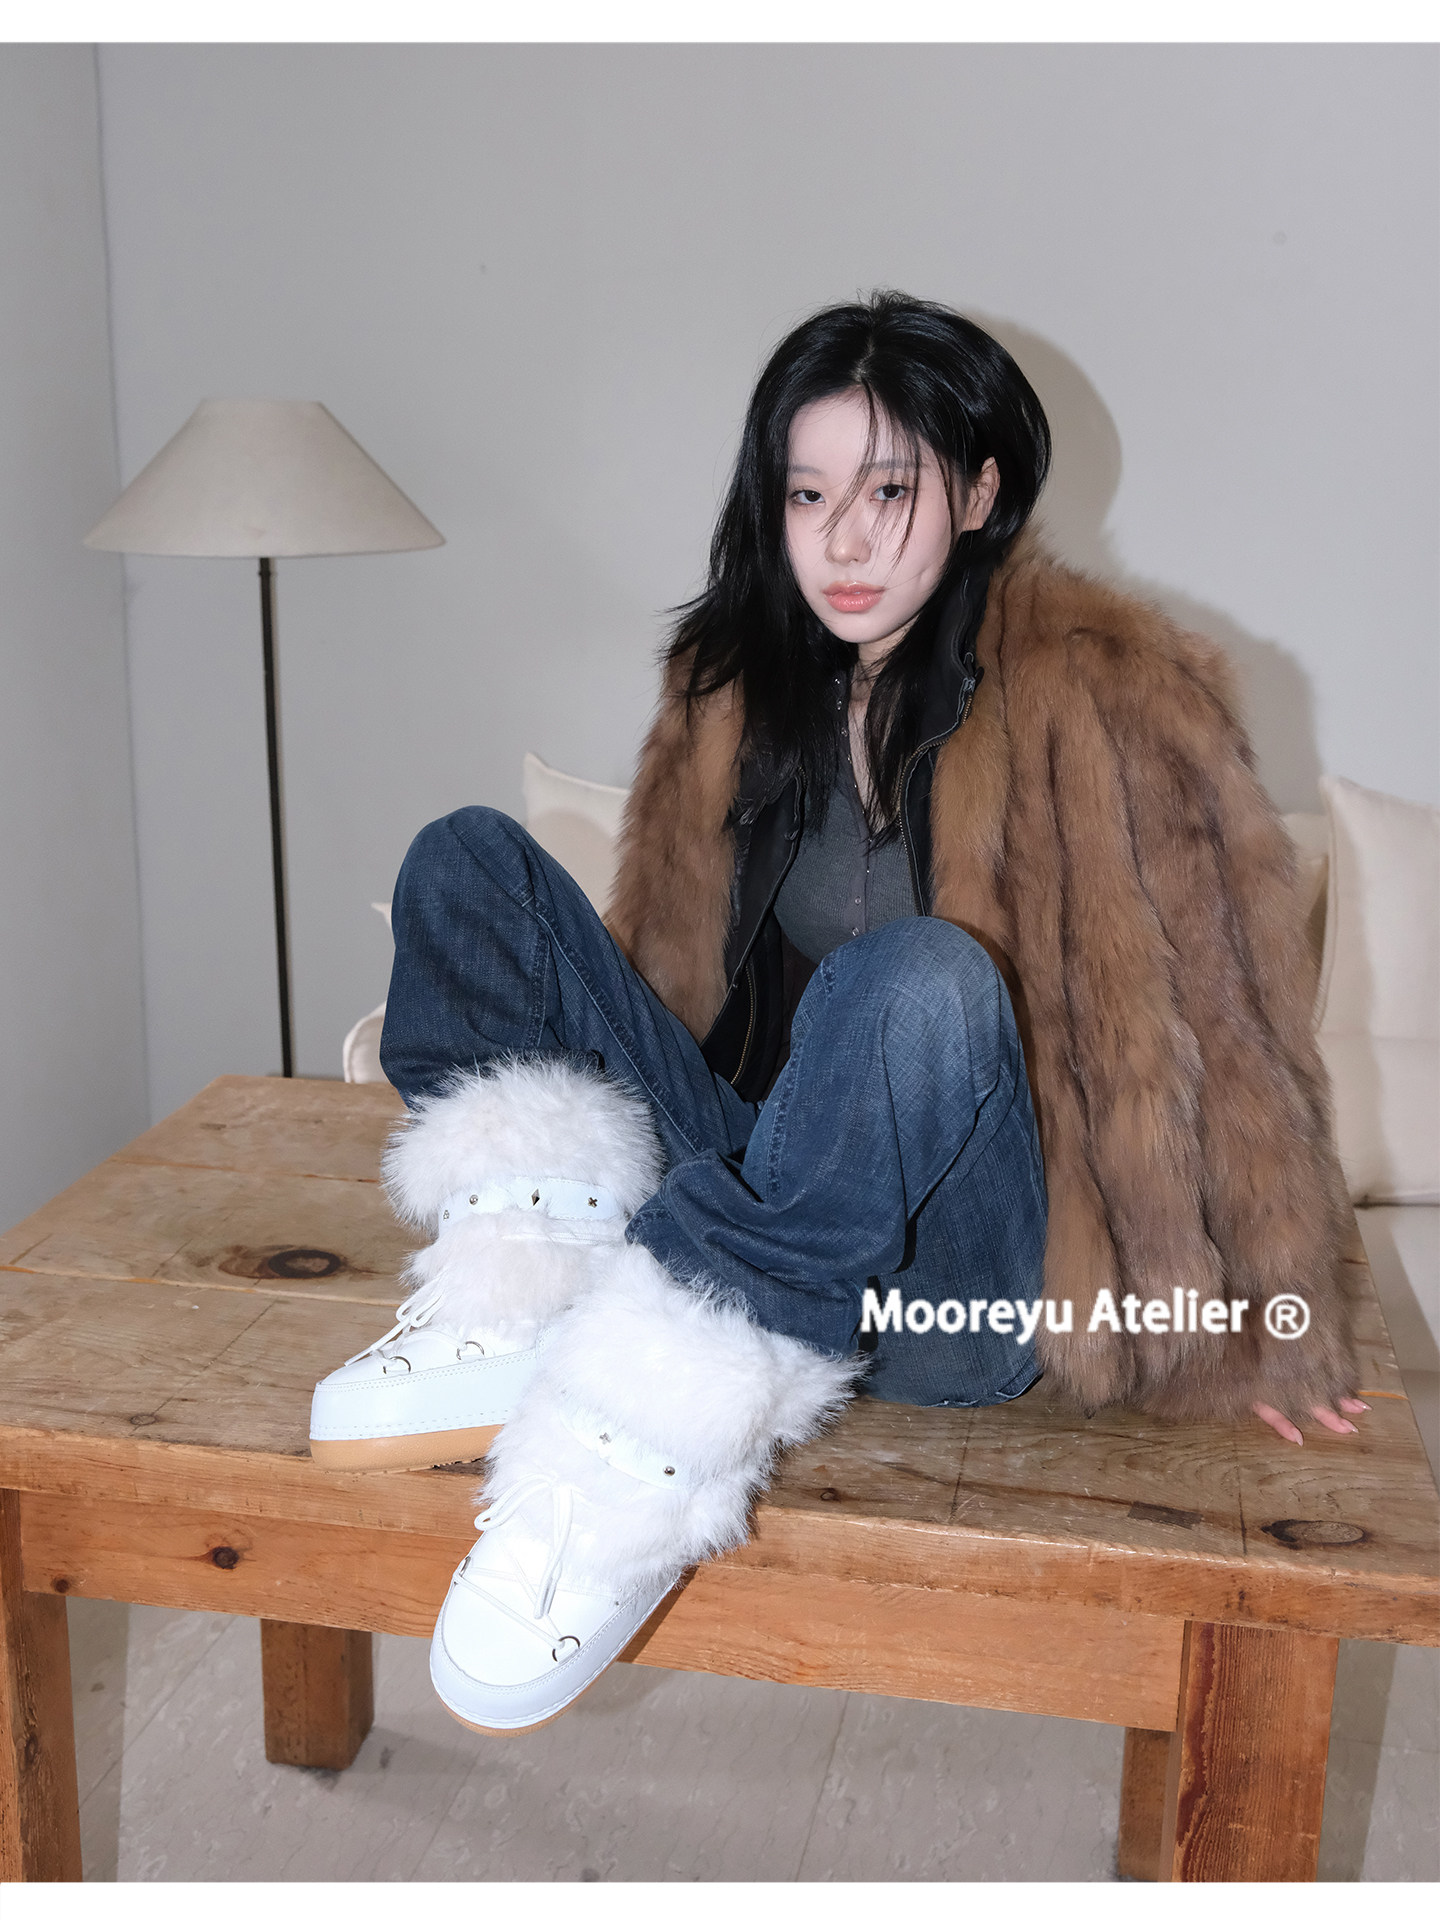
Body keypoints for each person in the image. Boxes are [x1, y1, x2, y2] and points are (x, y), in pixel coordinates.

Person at [309, 291, 1363, 1736]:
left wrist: (1271, 1321)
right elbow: (661, 979)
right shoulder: (734, 686)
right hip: (753, 1201)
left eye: (888, 492)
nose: (843, 542)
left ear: (979, 492)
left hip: (950, 1291)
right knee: (468, 860)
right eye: (808, 496)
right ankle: (520, 1299)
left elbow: (1231, 1036)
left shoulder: (1111, 692)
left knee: (915, 976)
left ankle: (622, 1474)